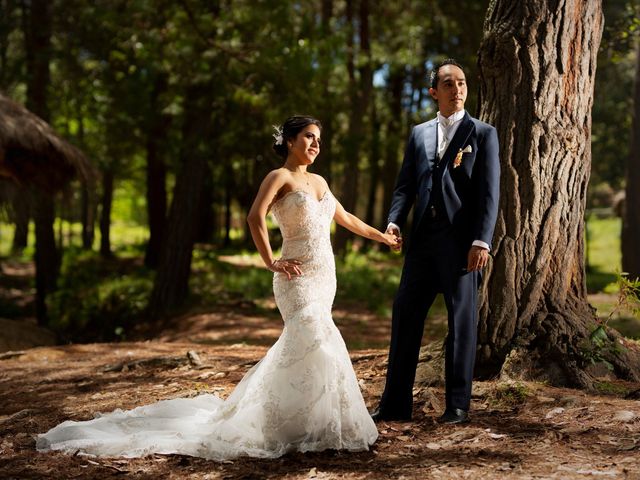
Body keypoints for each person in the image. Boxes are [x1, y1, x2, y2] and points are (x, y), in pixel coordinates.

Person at [37, 115, 399, 460]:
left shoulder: (320, 183)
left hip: (325, 276)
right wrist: (270, 260)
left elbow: (346, 218)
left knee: (314, 345)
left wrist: (382, 237)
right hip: (294, 276)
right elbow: (254, 217)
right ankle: (273, 422)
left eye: (319, 139)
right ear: (290, 141)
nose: (315, 144)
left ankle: (309, 422)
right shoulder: (279, 177)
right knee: (313, 336)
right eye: (309, 137)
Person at [371, 59, 500, 425]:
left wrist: (482, 240)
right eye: (448, 84)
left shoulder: (483, 133)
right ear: (434, 92)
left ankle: (457, 406)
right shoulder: (418, 134)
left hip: (462, 246)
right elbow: (405, 185)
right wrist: (394, 221)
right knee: (405, 318)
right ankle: (395, 404)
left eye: (461, 83)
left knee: (461, 325)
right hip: (421, 245)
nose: (457, 89)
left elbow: (490, 194)